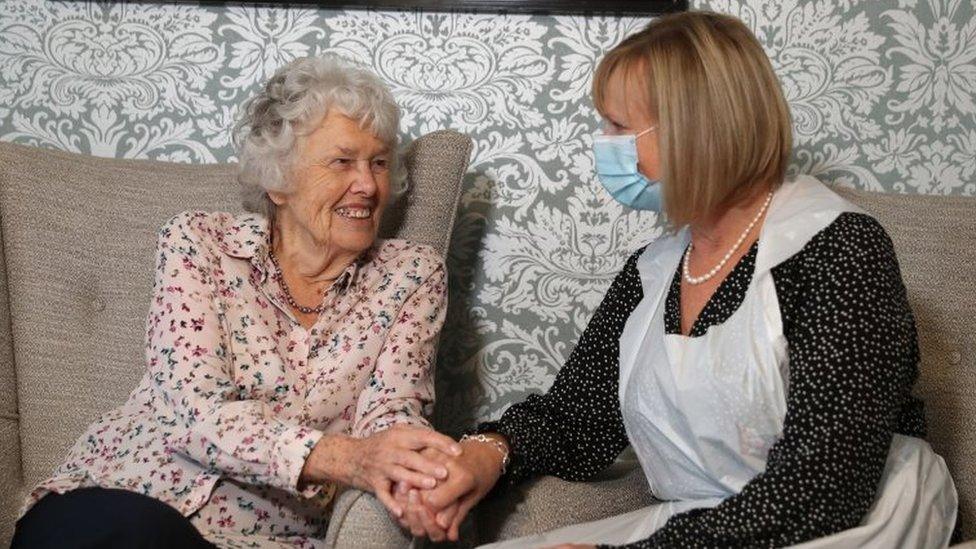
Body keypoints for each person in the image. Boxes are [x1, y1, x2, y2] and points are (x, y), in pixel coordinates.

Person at [395, 11, 959, 548]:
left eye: (619, 126)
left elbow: (823, 490)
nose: (604, 144)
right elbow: (578, 419)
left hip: (848, 526)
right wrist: (486, 454)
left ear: (697, 131)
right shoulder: (656, 269)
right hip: (707, 527)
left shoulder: (840, 252)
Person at [12, 56, 462, 548]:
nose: (368, 185)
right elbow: (192, 411)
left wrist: (413, 475)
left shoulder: (410, 275)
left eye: (378, 162)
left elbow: (393, 415)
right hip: (124, 495)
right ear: (278, 180)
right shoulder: (199, 242)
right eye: (342, 161)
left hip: (258, 539)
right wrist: (349, 458)